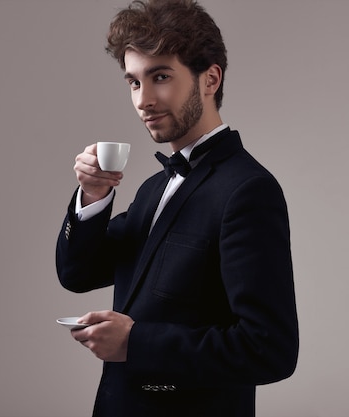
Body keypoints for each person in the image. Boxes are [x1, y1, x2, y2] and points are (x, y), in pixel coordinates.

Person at [55, 0, 299, 415]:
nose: (143, 100)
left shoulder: (248, 190)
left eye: (160, 77)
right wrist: (93, 198)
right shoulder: (154, 188)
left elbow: (270, 349)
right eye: (133, 82)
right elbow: (77, 274)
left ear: (210, 78)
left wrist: (136, 343)